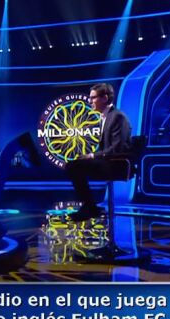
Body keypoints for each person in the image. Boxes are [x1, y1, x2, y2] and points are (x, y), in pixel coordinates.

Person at [66, 83, 131, 222]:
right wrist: (90, 157)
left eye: (93, 98)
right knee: (74, 164)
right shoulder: (106, 116)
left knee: (73, 166)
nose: (90, 101)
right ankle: (89, 206)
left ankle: (90, 207)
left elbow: (117, 148)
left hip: (117, 164)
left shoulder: (117, 117)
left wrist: (92, 156)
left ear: (105, 98)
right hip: (109, 161)